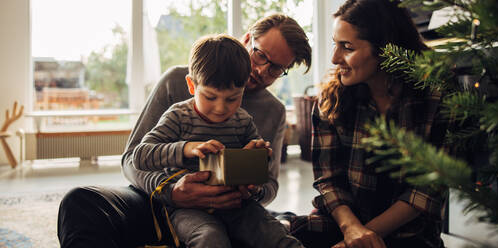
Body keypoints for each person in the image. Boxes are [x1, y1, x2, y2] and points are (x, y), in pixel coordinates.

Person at [58, 14, 311, 248]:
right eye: (261, 56)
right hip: (158, 203)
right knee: (80, 202)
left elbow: (270, 185)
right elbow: (132, 160)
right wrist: (174, 193)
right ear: (247, 39)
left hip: (233, 211)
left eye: (276, 68)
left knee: (270, 233)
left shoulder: (273, 111)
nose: (262, 70)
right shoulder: (178, 81)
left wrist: (252, 189)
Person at [280, 1, 448, 248]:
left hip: (409, 236)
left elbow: (427, 191)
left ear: (385, 50)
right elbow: (328, 180)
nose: (335, 58)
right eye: (335, 45)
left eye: (347, 47)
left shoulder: (437, 97)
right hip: (340, 224)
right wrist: (351, 229)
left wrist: (360, 239)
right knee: (273, 234)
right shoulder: (330, 100)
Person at [131, 34, 303, 248]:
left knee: (274, 233)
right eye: (210, 97)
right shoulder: (178, 116)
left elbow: (264, 174)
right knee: (210, 237)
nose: (221, 108)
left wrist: (256, 157)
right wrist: (186, 149)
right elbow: (140, 156)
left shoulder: (242, 120)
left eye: (233, 98)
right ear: (192, 86)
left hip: (236, 205)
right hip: (187, 209)